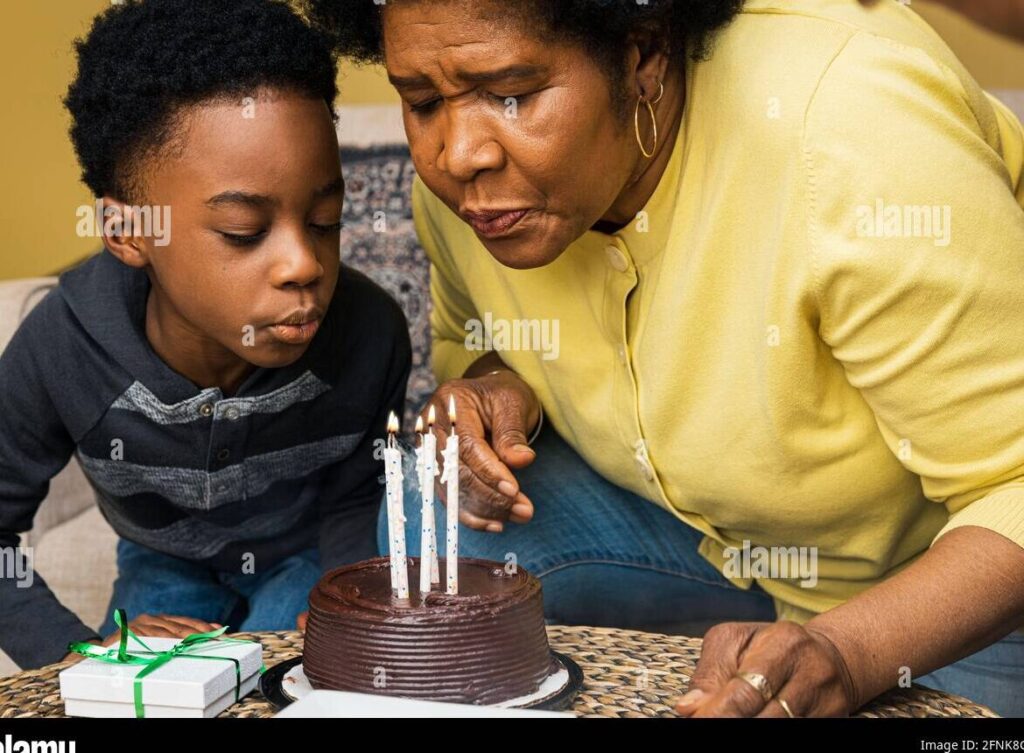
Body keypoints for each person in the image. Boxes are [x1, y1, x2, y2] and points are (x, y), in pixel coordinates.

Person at [308, 0, 1024, 716]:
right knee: (432, 500)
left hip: (952, 577)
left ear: (643, 57)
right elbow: (483, 340)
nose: (458, 153)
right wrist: (497, 388)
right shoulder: (475, 193)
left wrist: (849, 649)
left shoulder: (845, 132)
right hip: (712, 535)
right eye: (423, 100)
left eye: (511, 94)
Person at [0, 0, 410, 670]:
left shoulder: (369, 335)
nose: (304, 264)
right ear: (129, 232)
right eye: (244, 231)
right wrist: (75, 653)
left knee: (280, 686)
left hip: (299, 559)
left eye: (326, 218)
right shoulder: (62, 349)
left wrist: (348, 587)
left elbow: (359, 492)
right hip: (162, 560)